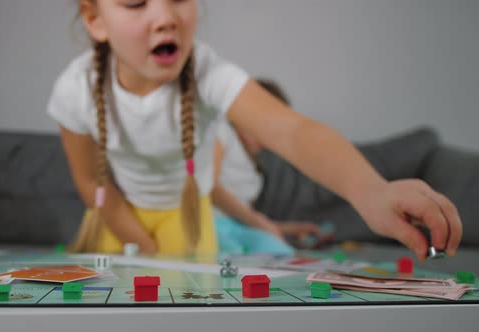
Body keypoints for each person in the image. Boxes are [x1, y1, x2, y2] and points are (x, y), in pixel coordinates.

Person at [47, 0, 462, 260]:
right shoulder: (75, 89)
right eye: (136, 3)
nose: (165, 17)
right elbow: (91, 184)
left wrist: (372, 191)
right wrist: (147, 247)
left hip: (187, 218)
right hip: (116, 217)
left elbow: (292, 131)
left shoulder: (208, 72)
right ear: (95, 19)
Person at [212, 79, 325, 255]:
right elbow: (211, 187)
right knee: (235, 257)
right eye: (261, 124)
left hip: (237, 228)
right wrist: (259, 222)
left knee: (283, 253)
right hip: (210, 223)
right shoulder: (222, 132)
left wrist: (286, 228)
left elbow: (244, 217)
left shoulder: (255, 169)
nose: (265, 135)